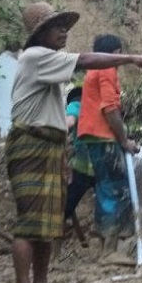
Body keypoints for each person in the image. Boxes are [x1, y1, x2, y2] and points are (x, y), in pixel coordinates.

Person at [7, 3, 142, 283]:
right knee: (29, 220)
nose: (64, 32)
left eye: (65, 26)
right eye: (57, 26)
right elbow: (89, 65)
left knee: (49, 218)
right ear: (40, 33)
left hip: (50, 144)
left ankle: (41, 282)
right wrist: (130, 58)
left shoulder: (47, 63)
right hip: (31, 144)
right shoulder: (35, 57)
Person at [76, 33, 141, 266]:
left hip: (93, 135)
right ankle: (110, 249)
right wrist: (124, 141)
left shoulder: (93, 71)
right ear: (115, 54)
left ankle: (103, 244)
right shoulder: (106, 70)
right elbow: (110, 109)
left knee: (105, 186)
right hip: (103, 136)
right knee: (114, 188)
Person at [63, 86, 95, 222]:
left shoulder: (75, 104)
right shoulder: (97, 106)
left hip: (83, 168)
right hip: (102, 166)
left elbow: (68, 122)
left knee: (64, 209)